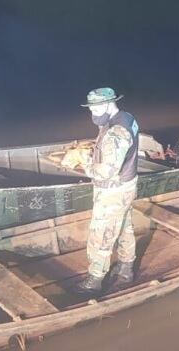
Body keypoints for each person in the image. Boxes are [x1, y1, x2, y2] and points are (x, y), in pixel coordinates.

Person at [63, 87, 140, 296]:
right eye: (90, 109)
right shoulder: (126, 118)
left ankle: (94, 280)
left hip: (112, 191)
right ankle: (125, 270)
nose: (93, 113)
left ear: (109, 103)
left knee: (101, 234)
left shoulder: (116, 132)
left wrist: (82, 163)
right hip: (126, 185)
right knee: (124, 227)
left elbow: (106, 172)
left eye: (96, 108)